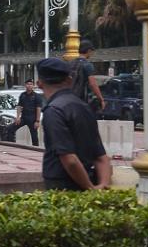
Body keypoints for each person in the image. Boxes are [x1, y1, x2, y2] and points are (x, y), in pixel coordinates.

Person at [38, 58, 111, 191]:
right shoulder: (85, 107)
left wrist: (89, 188)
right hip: (88, 185)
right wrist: (102, 186)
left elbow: (69, 159)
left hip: (61, 189)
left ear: (39, 84)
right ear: (70, 81)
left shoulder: (53, 111)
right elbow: (101, 157)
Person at [71, 40, 105, 115]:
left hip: (69, 99)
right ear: (89, 51)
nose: (92, 54)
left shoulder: (71, 63)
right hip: (80, 100)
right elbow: (93, 84)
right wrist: (101, 99)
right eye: (92, 51)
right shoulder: (87, 65)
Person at [14, 79, 43, 146]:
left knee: (34, 136)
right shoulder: (22, 95)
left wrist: (37, 121)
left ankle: (35, 150)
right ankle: (11, 145)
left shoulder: (37, 96)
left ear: (33, 86)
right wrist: (18, 117)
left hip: (32, 118)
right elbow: (19, 106)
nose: (29, 85)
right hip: (23, 117)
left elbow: (38, 109)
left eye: (31, 84)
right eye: (28, 84)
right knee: (10, 129)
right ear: (25, 85)